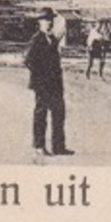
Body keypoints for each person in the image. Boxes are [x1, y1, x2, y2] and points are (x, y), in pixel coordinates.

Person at [24, 8, 71, 156]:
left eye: (50, 20)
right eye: (45, 20)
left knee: (59, 114)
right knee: (41, 115)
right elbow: (29, 60)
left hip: (55, 84)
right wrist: (41, 77)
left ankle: (59, 147)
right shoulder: (37, 39)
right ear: (39, 22)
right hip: (43, 84)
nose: (49, 23)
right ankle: (39, 146)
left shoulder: (52, 39)